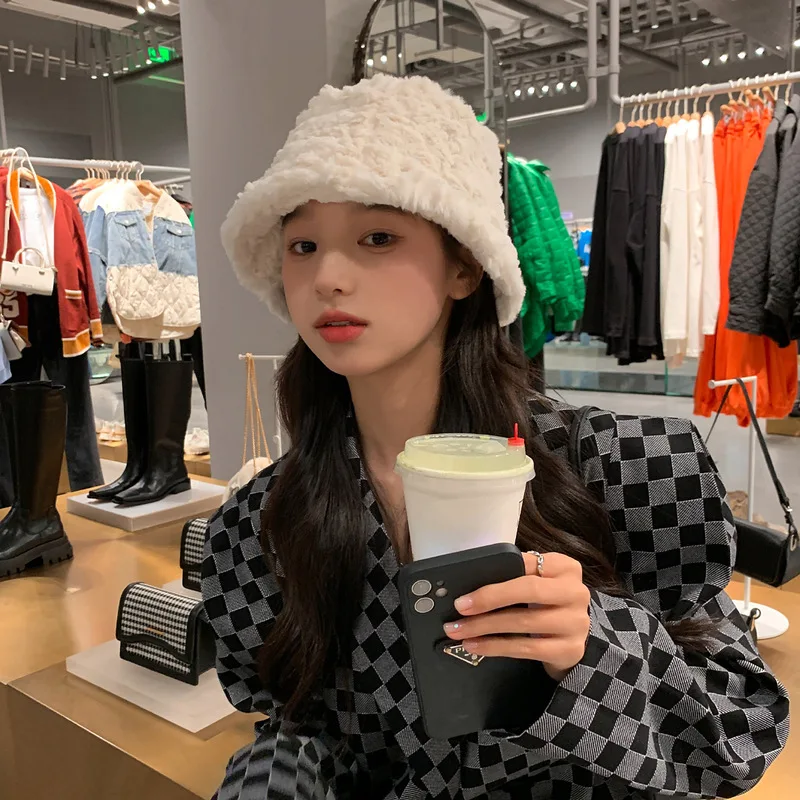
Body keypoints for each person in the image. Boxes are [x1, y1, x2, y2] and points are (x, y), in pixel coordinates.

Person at [203, 74, 788, 799]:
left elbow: (739, 734)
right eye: (302, 245)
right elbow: (297, 725)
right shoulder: (260, 521)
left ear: (464, 265)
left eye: (378, 237)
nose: (327, 276)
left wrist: (592, 648)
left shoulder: (629, 469)